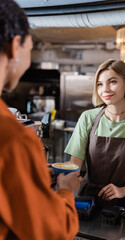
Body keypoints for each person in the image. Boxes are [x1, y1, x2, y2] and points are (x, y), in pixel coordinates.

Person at [0, 0, 82, 239]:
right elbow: (51, 231)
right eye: (31, 47)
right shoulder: (12, 137)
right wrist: (66, 192)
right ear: (16, 45)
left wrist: (29, 174)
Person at [65, 59, 125, 209]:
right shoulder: (88, 118)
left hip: (124, 205)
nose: (104, 89)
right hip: (87, 201)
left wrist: (123, 191)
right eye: (100, 84)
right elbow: (74, 164)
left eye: (112, 82)